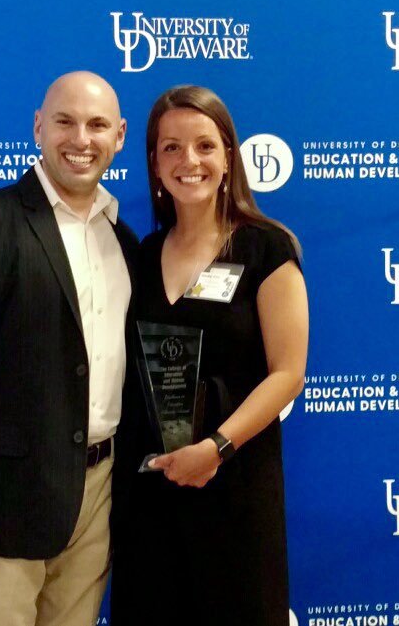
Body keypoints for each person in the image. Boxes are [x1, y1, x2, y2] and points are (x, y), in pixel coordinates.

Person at [0, 71, 138, 626]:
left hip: (98, 499)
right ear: (38, 127)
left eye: (97, 125)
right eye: (64, 121)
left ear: (120, 136)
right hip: (0, 511)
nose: (80, 139)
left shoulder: (125, 242)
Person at [111, 86, 308, 626]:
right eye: (170, 148)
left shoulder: (265, 248)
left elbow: (288, 373)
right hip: (152, 491)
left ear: (228, 158)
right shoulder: (141, 255)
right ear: (153, 162)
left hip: (233, 484)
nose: (188, 161)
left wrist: (217, 447)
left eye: (204, 145)